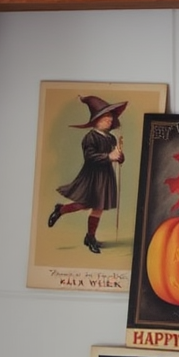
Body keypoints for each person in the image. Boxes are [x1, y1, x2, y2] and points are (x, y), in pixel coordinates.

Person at [47, 95, 127, 254]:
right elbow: (90, 157)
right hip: (92, 177)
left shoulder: (111, 138)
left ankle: (90, 237)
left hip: (105, 177)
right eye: (105, 117)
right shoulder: (89, 138)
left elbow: (117, 157)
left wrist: (119, 157)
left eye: (111, 117)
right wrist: (108, 157)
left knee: (99, 208)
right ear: (96, 120)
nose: (109, 120)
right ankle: (61, 210)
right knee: (83, 204)